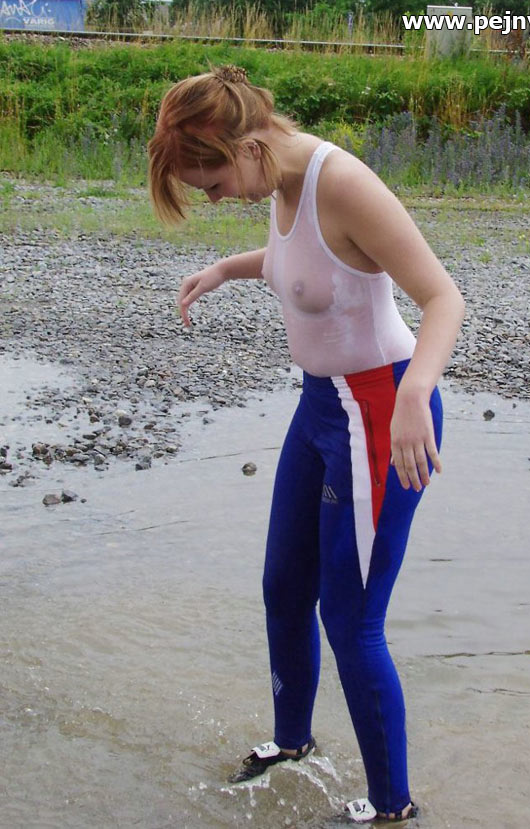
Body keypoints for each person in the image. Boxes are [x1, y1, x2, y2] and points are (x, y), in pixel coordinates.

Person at [148, 64, 465, 824]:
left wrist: (416, 393)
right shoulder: (277, 178)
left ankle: (392, 807)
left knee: (352, 622)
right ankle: (291, 744)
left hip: (381, 414)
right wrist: (227, 269)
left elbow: (442, 298)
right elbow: (306, 266)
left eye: (212, 184)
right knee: (283, 587)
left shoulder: (341, 182)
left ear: (245, 145)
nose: (216, 199)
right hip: (320, 407)